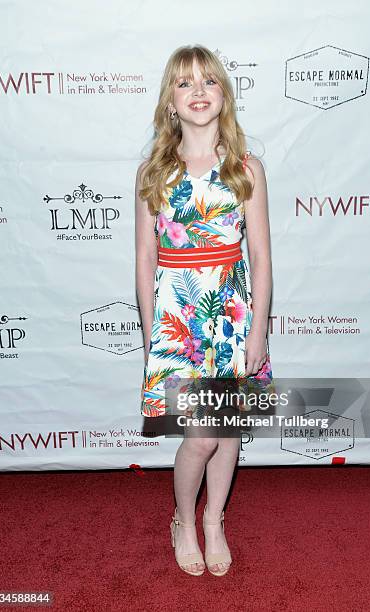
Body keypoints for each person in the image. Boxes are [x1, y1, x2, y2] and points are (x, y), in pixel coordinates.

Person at [135, 44, 273, 577]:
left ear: (223, 96)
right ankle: (184, 519)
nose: (197, 92)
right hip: (177, 320)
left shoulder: (246, 169)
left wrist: (258, 330)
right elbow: (146, 261)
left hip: (233, 315)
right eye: (185, 83)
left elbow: (260, 258)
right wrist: (154, 337)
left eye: (208, 82)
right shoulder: (153, 172)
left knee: (229, 431)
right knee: (202, 435)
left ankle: (215, 519)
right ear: (171, 100)